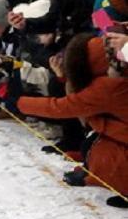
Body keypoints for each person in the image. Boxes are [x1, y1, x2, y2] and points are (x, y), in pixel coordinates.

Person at [18, 34, 128, 208]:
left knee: (102, 153)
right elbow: (82, 101)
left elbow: (64, 107)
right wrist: (64, 78)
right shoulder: (117, 74)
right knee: (93, 142)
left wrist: (20, 102)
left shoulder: (108, 86)